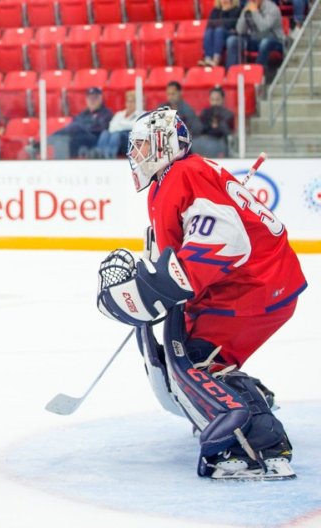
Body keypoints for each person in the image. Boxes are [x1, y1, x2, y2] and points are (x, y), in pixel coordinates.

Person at [96, 106, 306, 481]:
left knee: (192, 363)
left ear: (163, 144)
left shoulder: (184, 174)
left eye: (142, 145)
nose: (135, 154)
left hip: (252, 287)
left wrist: (159, 287)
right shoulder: (173, 178)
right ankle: (236, 399)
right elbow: (178, 248)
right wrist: (153, 280)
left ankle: (254, 444)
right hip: (249, 284)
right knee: (194, 356)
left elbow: (224, 240)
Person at [49, 87, 113, 159]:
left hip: (95, 139)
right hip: (80, 137)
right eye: (90, 98)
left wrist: (84, 127)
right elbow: (74, 124)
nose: (92, 101)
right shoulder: (84, 114)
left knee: (76, 127)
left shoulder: (106, 113)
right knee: (64, 140)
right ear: (86, 100)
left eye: (95, 98)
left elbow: (101, 128)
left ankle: (47, 141)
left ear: (100, 99)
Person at [226, 0, 285, 71]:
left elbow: (263, 28)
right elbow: (240, 30)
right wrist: (244, 14)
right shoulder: (248, 7)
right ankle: (230, 73)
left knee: (265, 43)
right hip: (254, 40)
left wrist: (255, 11)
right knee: (232, 40)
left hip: (275, 40)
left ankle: (257, 73)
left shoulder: (272, 9)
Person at [96, 90, 141, 159]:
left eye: (133, 101)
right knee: (105, 133)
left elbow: (133, 126)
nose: (130, 104)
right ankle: (100, 154)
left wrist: (119, 125)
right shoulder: (119, 114)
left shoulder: (141, 114)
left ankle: (111, 155)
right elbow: (111, 127)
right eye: (128, 101)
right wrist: (123, 125)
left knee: (116, 135)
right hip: (116, 135)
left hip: (129, 139)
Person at [192, 87, 235, 157]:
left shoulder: (228, 114)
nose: (215, 102)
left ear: (223, 100)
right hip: (205, 144)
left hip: (221, 145)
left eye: (217, 100)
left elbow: (225, 132)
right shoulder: (205, 113)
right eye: (212, 99)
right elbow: (200, 129)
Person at [199, 0, 241, 67]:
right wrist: (221, 19)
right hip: (216, 34)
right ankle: (208, 58)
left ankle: (216, 59)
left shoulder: (236, 10)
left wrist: (224, 12)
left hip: (230, 34)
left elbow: (230, 25)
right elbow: (209, 25)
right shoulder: (215, 11)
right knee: (209, 31)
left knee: (219, 30)